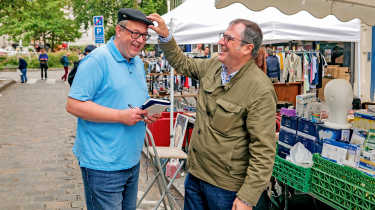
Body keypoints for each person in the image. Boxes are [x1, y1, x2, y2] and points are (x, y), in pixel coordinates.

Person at [148, 14, 277, 210]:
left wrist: (247, 198)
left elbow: (263, 150)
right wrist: (166, 37)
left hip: (226, 188)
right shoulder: (215, 65)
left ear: (247, 48)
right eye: (222, 36)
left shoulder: (260, 89)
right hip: (196, 176)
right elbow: (184, 63)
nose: (220, 42)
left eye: (228, 39)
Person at [66, 8, 160, 210]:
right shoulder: (98, 59)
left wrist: (147, 113)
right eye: (135, 33)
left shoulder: (137, 63)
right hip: (103, 165)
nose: (140, 40)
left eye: (144, 35)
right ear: (119, 30)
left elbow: (135, 100)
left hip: (131, 161)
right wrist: (120, 116)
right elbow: (73, 104)